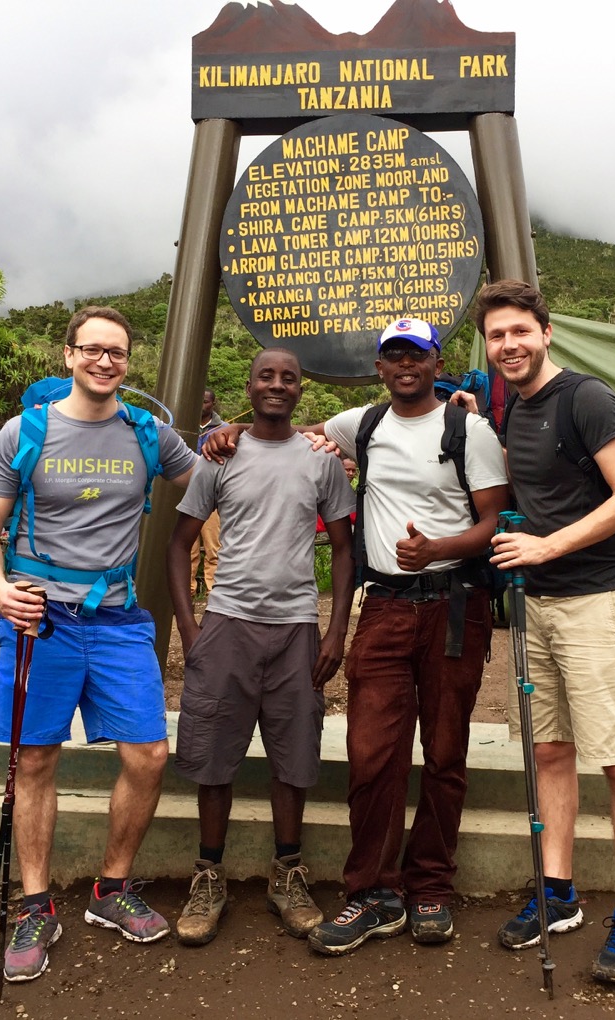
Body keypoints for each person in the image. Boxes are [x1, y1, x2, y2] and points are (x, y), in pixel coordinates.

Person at [208, 317, 508, 955]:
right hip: (385, 608)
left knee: (446, 750)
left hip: (456, 603)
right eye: (393, 356)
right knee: (374, 752)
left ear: (437, 361)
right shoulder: (360, 425)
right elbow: (288, 433)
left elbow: (493, 519)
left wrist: (440, 549)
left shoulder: (469, 430)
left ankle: (430, 887)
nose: (405, 366)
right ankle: (372, 891)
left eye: (417, 355)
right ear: (379, 367)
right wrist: (226, 432)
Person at [0, 305, 197, 983]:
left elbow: (212, 477)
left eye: (117, 353)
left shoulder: (148, 433)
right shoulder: (26, 431)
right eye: (92, 350)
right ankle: (36, 904)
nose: (105, 361)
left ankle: (110, 889)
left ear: (129, 363)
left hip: (120, 615)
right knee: (35, 760)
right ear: (68, 356)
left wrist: (286, 443)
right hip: (40, 618)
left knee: (149, 755)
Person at [476, 280, 615, 984]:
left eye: (520, 331)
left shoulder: (587, 399)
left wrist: (549, 547)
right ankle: (559, 895)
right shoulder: (515, 410)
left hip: (596, 603)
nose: (510, 345)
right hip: (538, 606)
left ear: (546, 332)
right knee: (550, 752)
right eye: (497, 336)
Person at [165, 348, 355, 946]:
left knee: (294, 756)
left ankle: (288, 874)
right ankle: (208, 876)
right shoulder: (218, 457)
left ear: (302, 390)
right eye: (266, 377)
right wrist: (190, 631)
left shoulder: (321, 461)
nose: (277, 385)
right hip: (227, 624)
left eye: (289, 378)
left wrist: (335, 630)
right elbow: (179, 545)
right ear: (247, 386)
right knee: (213, 750)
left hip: (297, 627)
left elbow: (345, 549)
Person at [190, 389, 225, 595]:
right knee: (189, 548)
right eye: (198, 401)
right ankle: (188, 591)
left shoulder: (224, 429)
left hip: (212, 497)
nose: (202, 405)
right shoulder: (184, 425)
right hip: (185, 494)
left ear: (213, 403)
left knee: (215, 547)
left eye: (205, 401)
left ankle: (214, 592)